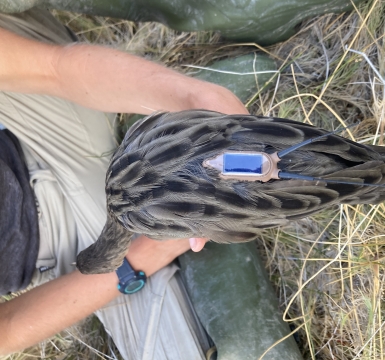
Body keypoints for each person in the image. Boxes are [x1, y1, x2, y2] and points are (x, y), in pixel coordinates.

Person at [0, 8, 247, 359]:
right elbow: (6, 328)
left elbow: (53, 69)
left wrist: (193, 98)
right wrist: (140, 258)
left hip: (42, 132)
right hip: (69, 256)